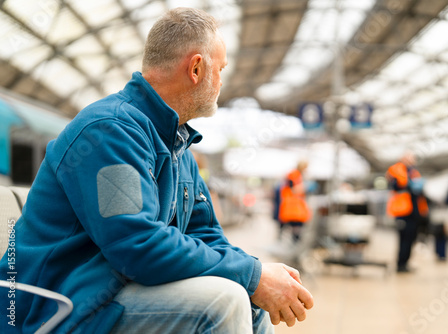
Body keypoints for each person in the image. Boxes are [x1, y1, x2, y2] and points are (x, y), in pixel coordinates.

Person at [0, 8, 313, 334]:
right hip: (60, 305)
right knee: (226, 300)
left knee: (251, 301)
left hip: (113, 295)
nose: (221, 81)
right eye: (219, 70)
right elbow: (136, 245)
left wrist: (258, 274)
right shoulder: (111, 132)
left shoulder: (179, 149)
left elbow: (206, 236)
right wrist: (251, 276)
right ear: (195, 68)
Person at [386, 152, 428, 273]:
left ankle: (406, 262)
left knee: (411, 238)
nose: (411, 161)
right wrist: (409, 186)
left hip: (414, 212)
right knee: (403, 238)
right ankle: (401, 264)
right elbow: (394, 186)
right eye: (409, 158)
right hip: (402, 211)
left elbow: (420, 192)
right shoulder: (396, 170)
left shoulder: (414, 172)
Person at [278, 161, 311, 242]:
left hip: (294, 206)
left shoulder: (296, 174)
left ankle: (288, 241)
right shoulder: (295, 174)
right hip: (293, 206)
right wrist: (305, 187)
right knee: (295, 226)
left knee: (292, 226)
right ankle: (291, 242)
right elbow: (294, 189)